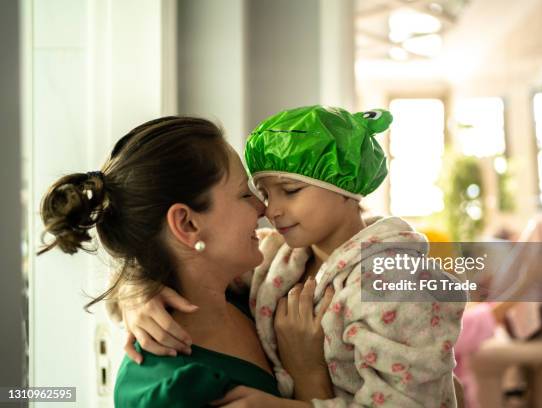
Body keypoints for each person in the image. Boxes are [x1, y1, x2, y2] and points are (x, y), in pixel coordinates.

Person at [117, 106, 467, 407]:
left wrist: (300, 391)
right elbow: (174, 259)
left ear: (346, 185)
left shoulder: (395, 281)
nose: (269, 210)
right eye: (260, 193)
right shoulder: (274, 261)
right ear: (187, 222)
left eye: (290, 190)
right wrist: (136, 287)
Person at [38, 116, 332, 407]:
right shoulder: (166, 393)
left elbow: (368, 251)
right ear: (187, 224)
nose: (262, 208)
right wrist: (310, 376)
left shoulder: (255, 290)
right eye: (245, 194)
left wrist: (130, 286)